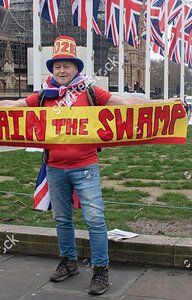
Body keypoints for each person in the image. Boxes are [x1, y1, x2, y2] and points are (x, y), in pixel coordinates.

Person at [0, 36, 167, 296]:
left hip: (86, 167)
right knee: (62, 219)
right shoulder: (44, 95)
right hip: (55, 168)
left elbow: (123, 103)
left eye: (67, 65)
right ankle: (69, 262)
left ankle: (101, 269)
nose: (62, 70)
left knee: (95, 220)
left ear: (76, 68)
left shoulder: (89, 92)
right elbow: (12, 106)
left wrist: (161, 107)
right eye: (57, 66)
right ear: (52, 69)